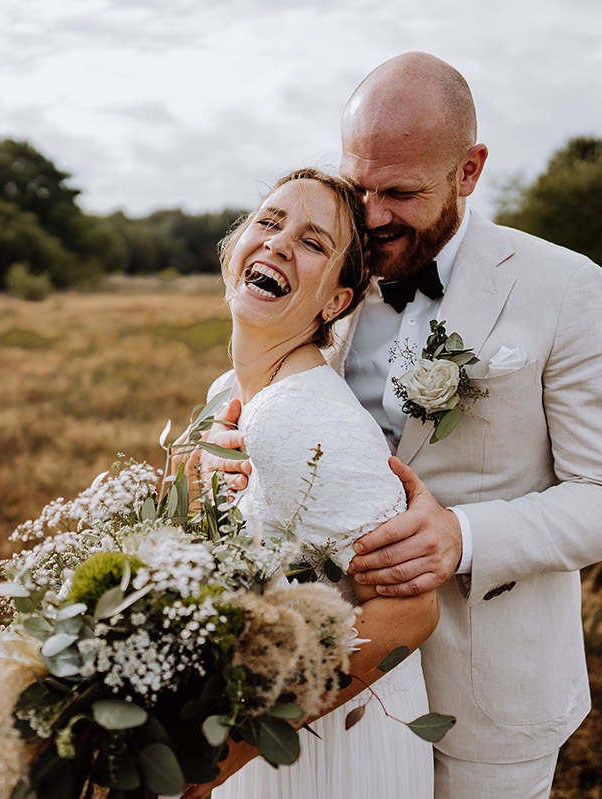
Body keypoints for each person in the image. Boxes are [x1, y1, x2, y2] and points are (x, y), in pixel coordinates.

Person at [203, 53, 602, 798]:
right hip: (327, 684)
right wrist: (229, 445)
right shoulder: (333, 269)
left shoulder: (567, 288)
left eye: (402, 192)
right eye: (360, 186)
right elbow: (266, 376)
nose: (373, 215)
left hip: (487, 695)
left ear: (469, 171)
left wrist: (462, 536)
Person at [184, 168, 441, 799]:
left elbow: (411, 612)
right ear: (233, 251)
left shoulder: (305, 414)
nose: (276, 242)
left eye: (312, 242)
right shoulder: (233, 396)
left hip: (315, 752)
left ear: (336, 301)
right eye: (269, 223)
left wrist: (228, 752)